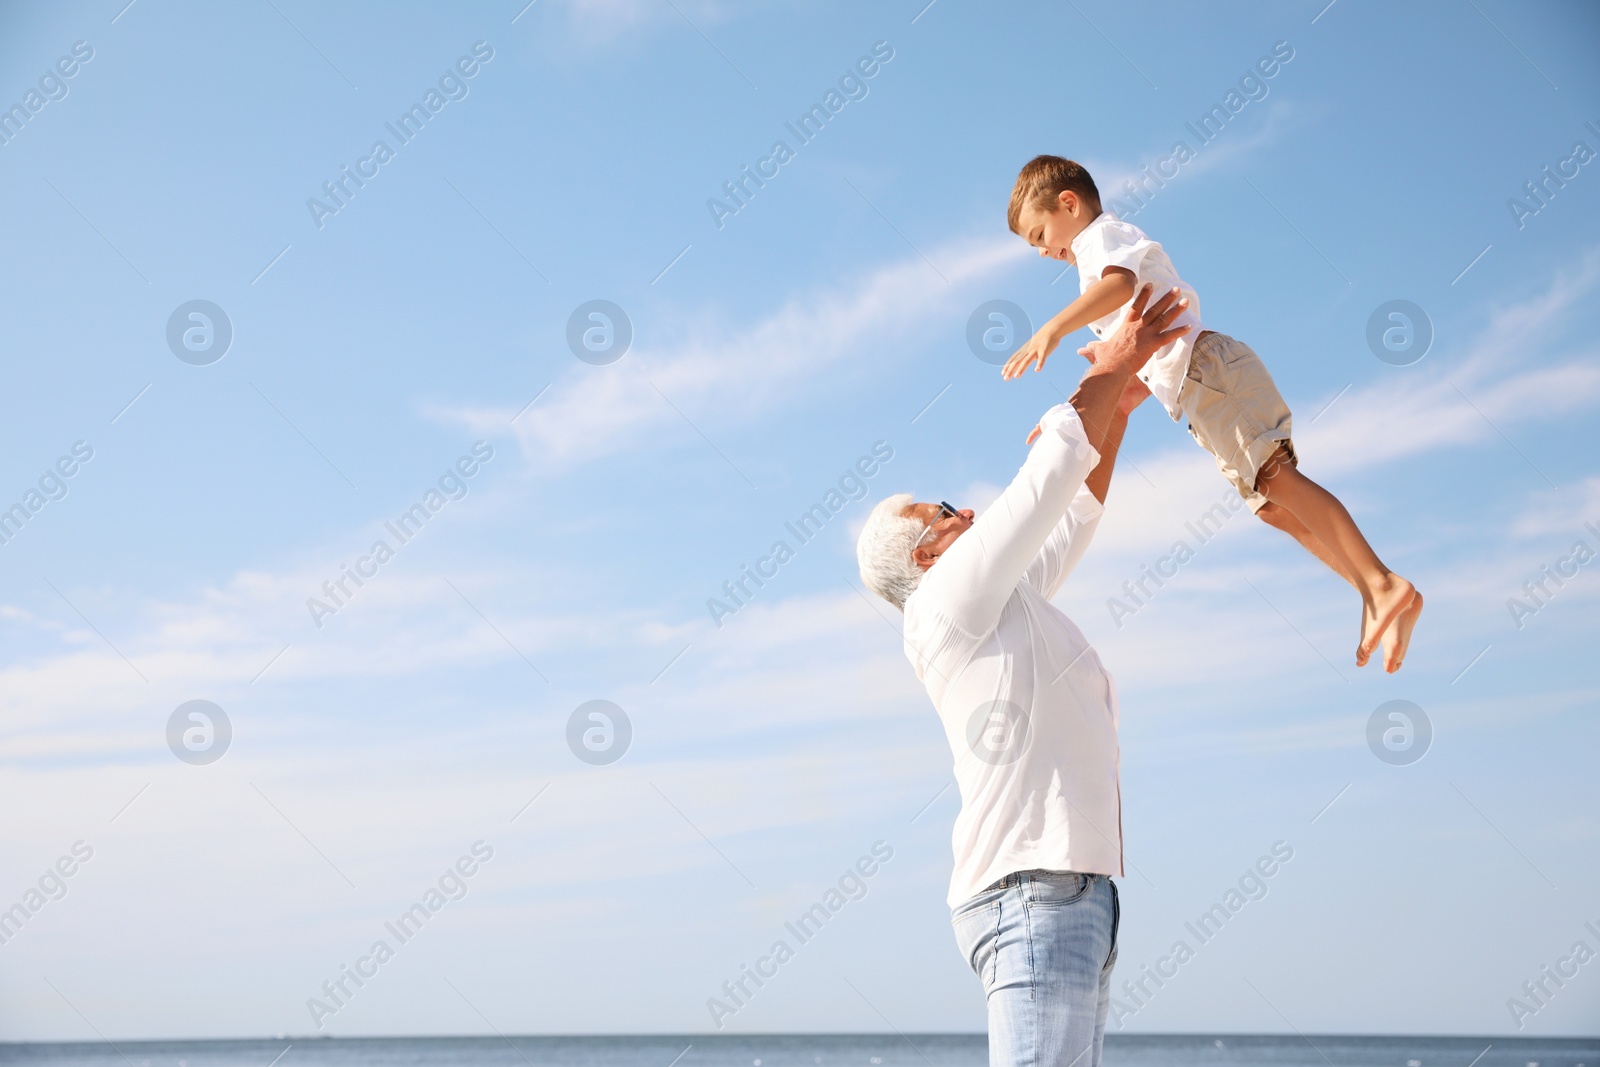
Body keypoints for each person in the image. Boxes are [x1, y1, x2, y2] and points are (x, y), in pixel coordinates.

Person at [856, 285, 1188, 1067]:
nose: (962, 509)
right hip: (1030, 894)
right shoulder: (942, 605)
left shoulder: (994, 601)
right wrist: (1104, 367)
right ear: (925, 555)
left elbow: (1066, 515)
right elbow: (1043, 480)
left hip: (1069, 895)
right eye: (938, 509)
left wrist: (1116, 409)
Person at [1001, 155, 1421, 672]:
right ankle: (1377, 591)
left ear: (1069, 203)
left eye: (1040, 234)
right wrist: (1084, 399)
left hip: (1208, 370)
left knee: (1277, 479)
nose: (1043, 251)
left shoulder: (1101, 239)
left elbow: (1119, 287)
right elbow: (1131, 341)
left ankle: (1382, 583)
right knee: (1272, 506)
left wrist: (1054, 328)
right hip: (1198, 393)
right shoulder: (1092, 259)